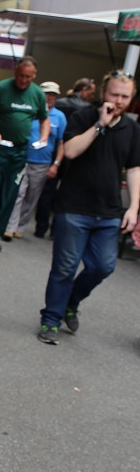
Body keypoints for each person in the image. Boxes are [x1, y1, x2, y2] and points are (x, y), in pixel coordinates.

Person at [37, 71, 140, 344]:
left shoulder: (132, 128)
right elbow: (70, 151)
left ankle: (72, 300)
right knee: (65, 267)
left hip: (109, 212)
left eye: (125, 97)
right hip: (74, 207)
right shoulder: (83, 117)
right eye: (114, 94)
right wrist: (99, 125)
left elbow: (134, 169)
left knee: (103, 267)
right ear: (104, 93)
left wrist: (134, 209)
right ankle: (50, 320)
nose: (119, 101)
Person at [0, 56, 49, 251]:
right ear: (15, 72)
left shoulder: (38, 94)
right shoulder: (1, 89)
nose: (23, 80)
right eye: (21, 75)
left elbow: (44, 119)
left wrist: (44, 137)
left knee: (9, 193)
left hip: (19, 150)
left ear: (34, 76)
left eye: (28, 77)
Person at [4, 81, 66, 240]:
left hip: (43, 163)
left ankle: (21, 226)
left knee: (32, 197)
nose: (50, 97)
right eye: (47, 94)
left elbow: (61, 143)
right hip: (23, 159)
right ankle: (10, 226)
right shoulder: (31, 110)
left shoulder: (59, 117)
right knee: (18, 193)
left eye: (54, 95)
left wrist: (56, 164)